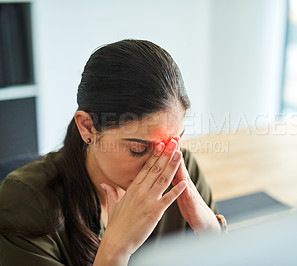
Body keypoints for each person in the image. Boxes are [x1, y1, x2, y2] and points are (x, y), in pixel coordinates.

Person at [0, 39, 225, 265]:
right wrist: (117, 249)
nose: (159, 165)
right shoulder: (23, 203)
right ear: (87, 127)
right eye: (137, 149)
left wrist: (209, 231)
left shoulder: (183, 174)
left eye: (172, 143)